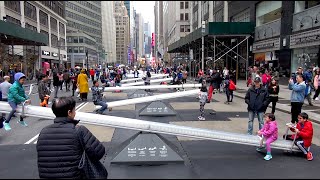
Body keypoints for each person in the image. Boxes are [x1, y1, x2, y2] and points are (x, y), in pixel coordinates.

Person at [36, 97, 106, 178]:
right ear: (69, 112)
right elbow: (99, 152)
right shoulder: (79, 130)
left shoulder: (43, 132)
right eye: (74, 110)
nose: (75, 113)